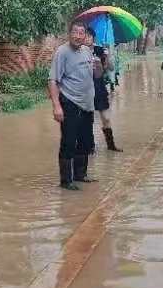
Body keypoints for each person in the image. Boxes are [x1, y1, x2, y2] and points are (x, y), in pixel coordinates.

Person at [47, 20, 98, 190]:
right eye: (74, 32)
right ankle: (66, 181)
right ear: (69, 34)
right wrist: (56, 106)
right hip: (69, 103)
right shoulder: (62, 52)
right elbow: (53, 80)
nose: (77, 36)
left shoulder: (87, 52)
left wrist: (98, 66)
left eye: (81, 33)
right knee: (68, 142)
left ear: (85, 35)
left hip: (87, 105)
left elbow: (96, 76)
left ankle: (80, 174)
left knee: (85, 142)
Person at [88, 29, 123, 153]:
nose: (86, 38)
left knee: (106, 118)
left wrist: (107, 56)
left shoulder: (100, 50)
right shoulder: (79, 52)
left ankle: (111, 145)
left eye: (89, 36)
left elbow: (111, 68)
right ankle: (90, 146)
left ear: (93, 38)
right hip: (85, 89)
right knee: (88, 119)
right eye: (84, 36)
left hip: (99, 88)